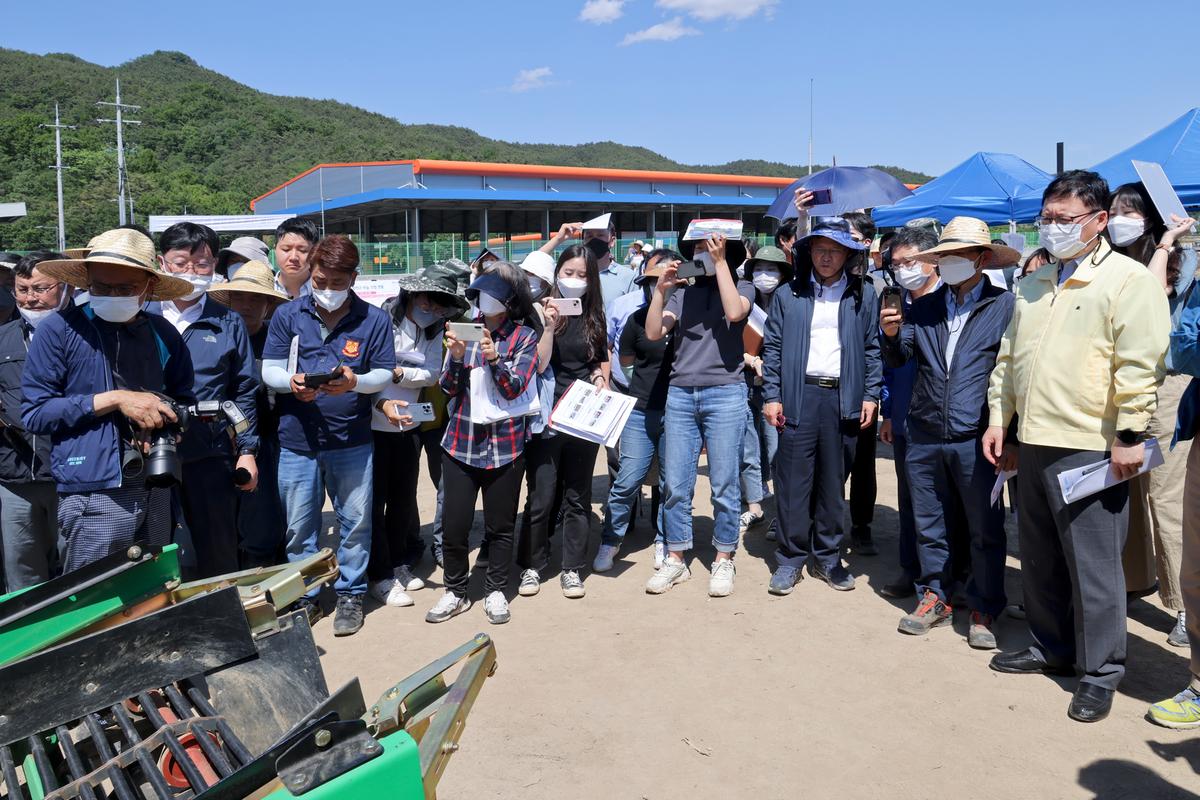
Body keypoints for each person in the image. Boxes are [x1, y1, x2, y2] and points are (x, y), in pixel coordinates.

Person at [984, 170, 1170, 723]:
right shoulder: (1035, 283)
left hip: (1092, 446)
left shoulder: (1126, 281)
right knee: (1040, 558)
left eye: (1066, 219)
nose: (1054, 228)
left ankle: (1100, 671)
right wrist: (1002, 420)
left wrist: (1131, 434)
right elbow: (1010, 360)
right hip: (1033, 440)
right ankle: (1052, 647)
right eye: (1048, 218)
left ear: (1099, 221)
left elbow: (1141, 365)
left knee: (1093, 567)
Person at [22, 228, 196, 573]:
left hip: (155, 483)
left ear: (148, 286)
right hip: (93, 491)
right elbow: (36, 412)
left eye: (125, 289)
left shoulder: (162, 333)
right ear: (86, 281)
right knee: (96, 598)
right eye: (101, 287)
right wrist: (115, 399)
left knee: (154, 587)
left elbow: (184, 399)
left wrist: (167, 424)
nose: (112, 295)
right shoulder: (59, 331)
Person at [881, 217, 1019, 650]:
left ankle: (984, 606)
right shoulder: (922, 308)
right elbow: (902, 357)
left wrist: (1007, 433)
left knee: (984, 527)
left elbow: (1011, 372)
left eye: (960, 255)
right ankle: (934, 596)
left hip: (976, 434)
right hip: (923, 431)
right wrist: (889, 334)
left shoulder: (1006, 306)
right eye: (946, 256)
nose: (951, 263)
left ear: (981, 259)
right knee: (929, 524)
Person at [262, 235, 395, 636]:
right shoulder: (289, 315)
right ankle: (305, 594)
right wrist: (291, 382)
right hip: (297, 440)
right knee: (300, 525)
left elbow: (384, 374)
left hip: (351, 441)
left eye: (338, 283)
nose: (328, 290)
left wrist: (355, 382)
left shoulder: (375, 319)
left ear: (354, 278)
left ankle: (351, 592)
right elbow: (268, 369)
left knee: (355, 522)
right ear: (309, 274)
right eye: (320, 281)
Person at [763, 217, 881, 595]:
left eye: (834, 250)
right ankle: (790, 559)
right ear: (808, 252)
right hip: (799, 396)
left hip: (842, 398)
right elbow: (773, 349)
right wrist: (771, 395)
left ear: (848, 253)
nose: (826, 257)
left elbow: (872, 349)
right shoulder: (788, 295)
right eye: (819, 249)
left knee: (833, 483)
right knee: (793, 482)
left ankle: (828, 557)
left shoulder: (863, 294)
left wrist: (870, 395)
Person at [1107, 182, 1197, 645]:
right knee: (1125, 492)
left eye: (1129, 211)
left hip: (1166, 390)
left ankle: (1186, 607)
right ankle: (1135, 580)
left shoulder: (1182, 261)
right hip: (1122, 388)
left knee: (1166, 498)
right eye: (1114, 210)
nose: (1119, 218)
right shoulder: (1110, 261)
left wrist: (1167, 244)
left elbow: (1154, 294)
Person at [428, 265, 539, 625]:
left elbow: (514, 387)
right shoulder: (464, 329)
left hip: (506, 446)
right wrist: (458, 356)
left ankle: (494, 590)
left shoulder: (524, 337)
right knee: (455, 524)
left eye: (491, 295)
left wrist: (493, 357)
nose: (483, 302)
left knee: (500, 526)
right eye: (479, 295)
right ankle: (456, 591)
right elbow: (447, 387)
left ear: (508, 301)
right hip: (460, 444)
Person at [644, 232, 751, 597]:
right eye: (697, 248)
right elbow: (655, 331)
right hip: (681, 393)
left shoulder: (743, 285)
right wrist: (661, 291)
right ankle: (676, 557)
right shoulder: (683, 293)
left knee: (724, 483)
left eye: (709, 247)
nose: (701, 253)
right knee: (675, 483)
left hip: (726, 392)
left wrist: (720, 263)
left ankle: (724, 557)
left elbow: (735, 312)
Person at [152, 222, 259, 579]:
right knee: (154, 547)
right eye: (180, 262)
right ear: (161, 262)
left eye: (202, 264)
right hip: (147, 452)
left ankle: (223, 621)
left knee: (217, 545)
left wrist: (247, 450)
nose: (191, 272)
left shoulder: (227, 321)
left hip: (210, 450)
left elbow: (244, 390)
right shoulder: (142, 316)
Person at [366, 267, 466, 608]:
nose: (433, 310)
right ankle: (379, 573)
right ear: (411, 295)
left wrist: (399, 372)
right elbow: (368, 372)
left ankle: (398, 563)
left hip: (408, 427)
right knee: (374, 503)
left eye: (441, 307)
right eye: (428, 301)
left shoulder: (435, 332)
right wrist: (398, 374)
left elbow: (432, 375)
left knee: (403, 501)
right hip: (373, 427)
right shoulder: (380, 321)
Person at [516, 244, 609, 599]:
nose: (574, 281)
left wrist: (599, 380)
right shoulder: (539, 312)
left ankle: (572, 567)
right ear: (556, 275)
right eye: (568, 273)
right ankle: (531, 565)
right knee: (541, 495)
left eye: (582, 275)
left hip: (582, 414)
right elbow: (539, 365)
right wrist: (549, 327)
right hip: (546, 416)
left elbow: (595, 360)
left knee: (578, 495)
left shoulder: (593, 314)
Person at [593, 251, 680, 573]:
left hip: (677, 411)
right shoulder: (635, 320)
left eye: (668, 283)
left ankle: (664, 540)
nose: (661, 288)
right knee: (627, 479)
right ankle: (610, 539)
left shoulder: (688, 320)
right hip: (639, 409)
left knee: (672, 482)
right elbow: (625, 361)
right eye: (653, 283)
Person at [875, 226, 943, 599]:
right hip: (902, 417)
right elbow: (889, 363)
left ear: (934, 260)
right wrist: (888, 411)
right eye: (897, 263)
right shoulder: (897, 304)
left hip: (941, 419)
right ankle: (910, 568)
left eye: (910, 262)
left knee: (943, 502)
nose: (902, 269)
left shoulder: (949, 301)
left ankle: (949, 577)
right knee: (909, 498)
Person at [206, 261, 289, 569]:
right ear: (228, 300)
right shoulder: (216, 337)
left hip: (272, 438)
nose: (247, 305)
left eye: (256, 298)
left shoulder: (278, 340)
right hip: (223, 440)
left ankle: (268, 571)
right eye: (240, 297)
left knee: (267, 516)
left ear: (268, 304)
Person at [1148, 271, 1200, 727]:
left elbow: (1182, 347)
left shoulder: (1183, 273)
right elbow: (1183, 347)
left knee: (1169, 506)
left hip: (1175, 401)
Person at [0, 251, 69, 591]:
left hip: (69, 474)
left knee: (74, 569)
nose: (31, 299)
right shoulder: (3, 338)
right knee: (22, 573)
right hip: (13, 475)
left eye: (41, 288)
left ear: (63, 287)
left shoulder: (83, 334)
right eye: (22, 289)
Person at [738, 245, 791, 535]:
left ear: (783, 275)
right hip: (745, 384)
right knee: (748, 449)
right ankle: (754, 507)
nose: (764, 275)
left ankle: (779, 516)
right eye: (759, 269)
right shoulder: (744, 300)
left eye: (771, 269)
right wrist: (750, 359)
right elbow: (727, 341)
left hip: (778, 391)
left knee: (777, 451)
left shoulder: (793, 302)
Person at [841, 211, 882, 555]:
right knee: (830, 461)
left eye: (851, 235)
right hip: (828, 385)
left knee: (863, 462)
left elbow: (877, 345)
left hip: (865, 387)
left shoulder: (878, 287)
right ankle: (824, 523)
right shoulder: (826, 280)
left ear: (867, 243)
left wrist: (873, 390)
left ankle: (861, 524)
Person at [273, 218, 318, 300]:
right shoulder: (262, 291)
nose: (293, 257)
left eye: (302, 250)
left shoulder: (325, 292)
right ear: (275, 249)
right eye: (286, 249)